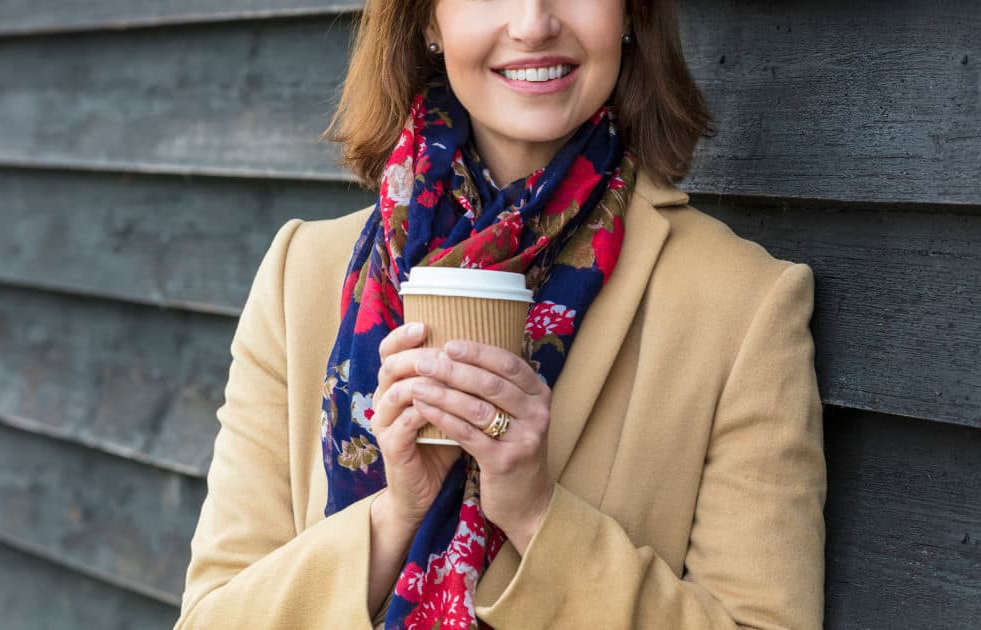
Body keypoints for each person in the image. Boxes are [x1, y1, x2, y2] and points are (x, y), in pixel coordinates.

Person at [173, 0, 826, 628]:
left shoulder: (745, 305)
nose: (534, 22)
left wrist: (539, 513)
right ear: (427, 17)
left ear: (633, 11)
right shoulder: (301, 276)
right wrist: (395, 515)